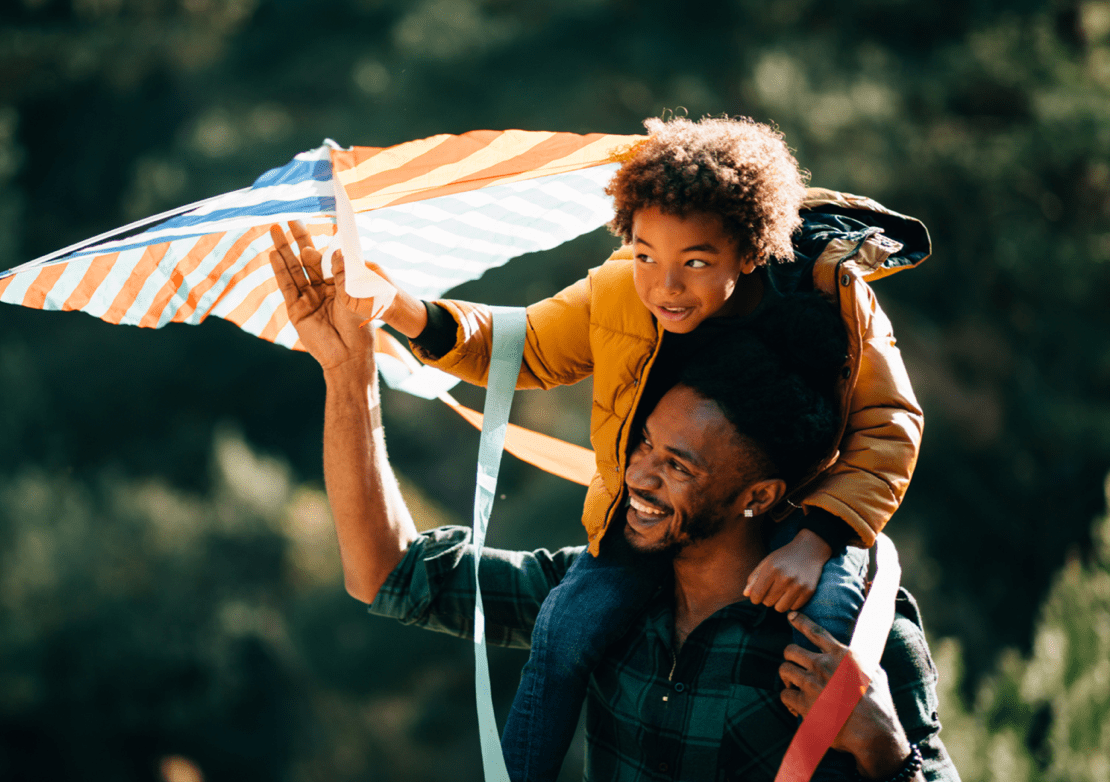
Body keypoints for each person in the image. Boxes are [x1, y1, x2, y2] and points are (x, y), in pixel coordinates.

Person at [327, 115, 930, 780]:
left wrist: (881, 742)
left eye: (694, 262)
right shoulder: (622, 295)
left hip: (816, 531)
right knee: (563, 634)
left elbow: (889, 425)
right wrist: (387, 320)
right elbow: (521, 349)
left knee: (820, 650)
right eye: (646, 256)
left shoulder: (831, 297)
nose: (666, 286)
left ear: (750, 251)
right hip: (655, 547)